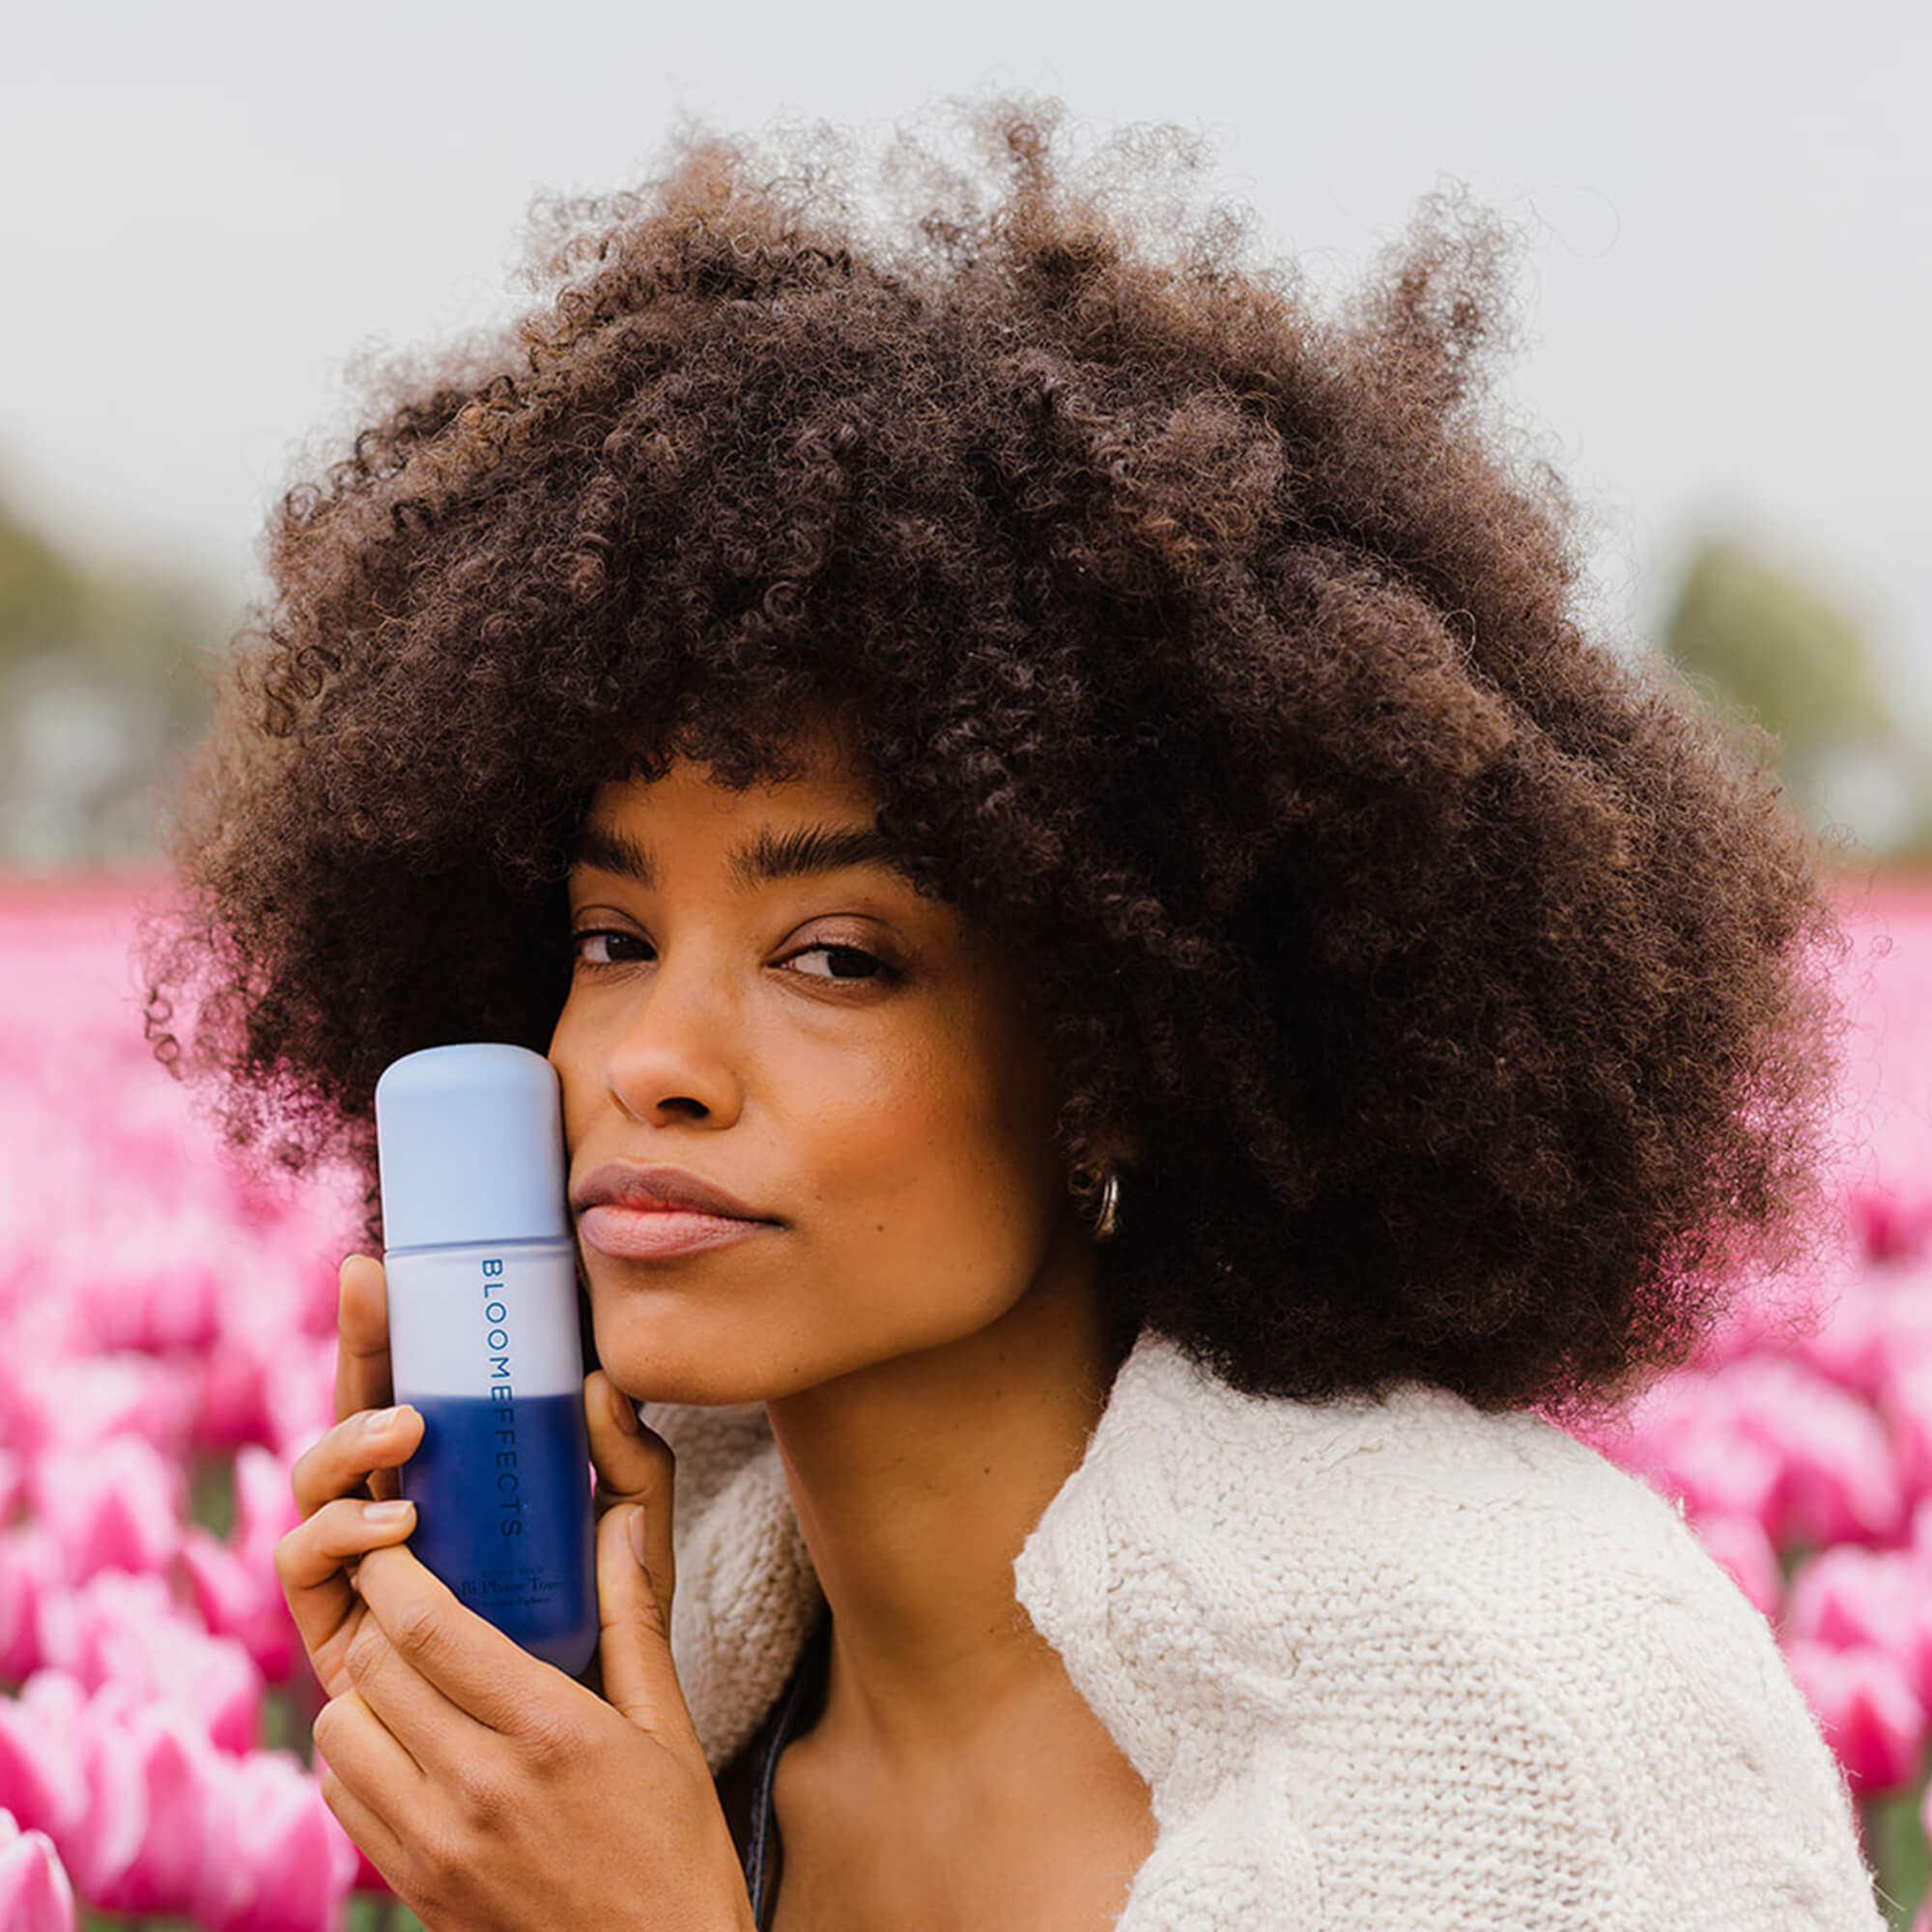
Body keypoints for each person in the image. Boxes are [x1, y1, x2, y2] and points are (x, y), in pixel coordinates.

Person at [152, 99, 1885, 1928]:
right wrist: (521, 1755)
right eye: (607, 934)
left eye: (835, 955)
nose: (647, 1065)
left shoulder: (1543, 1739)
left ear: (1125, 1049)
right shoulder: (664, 1722)